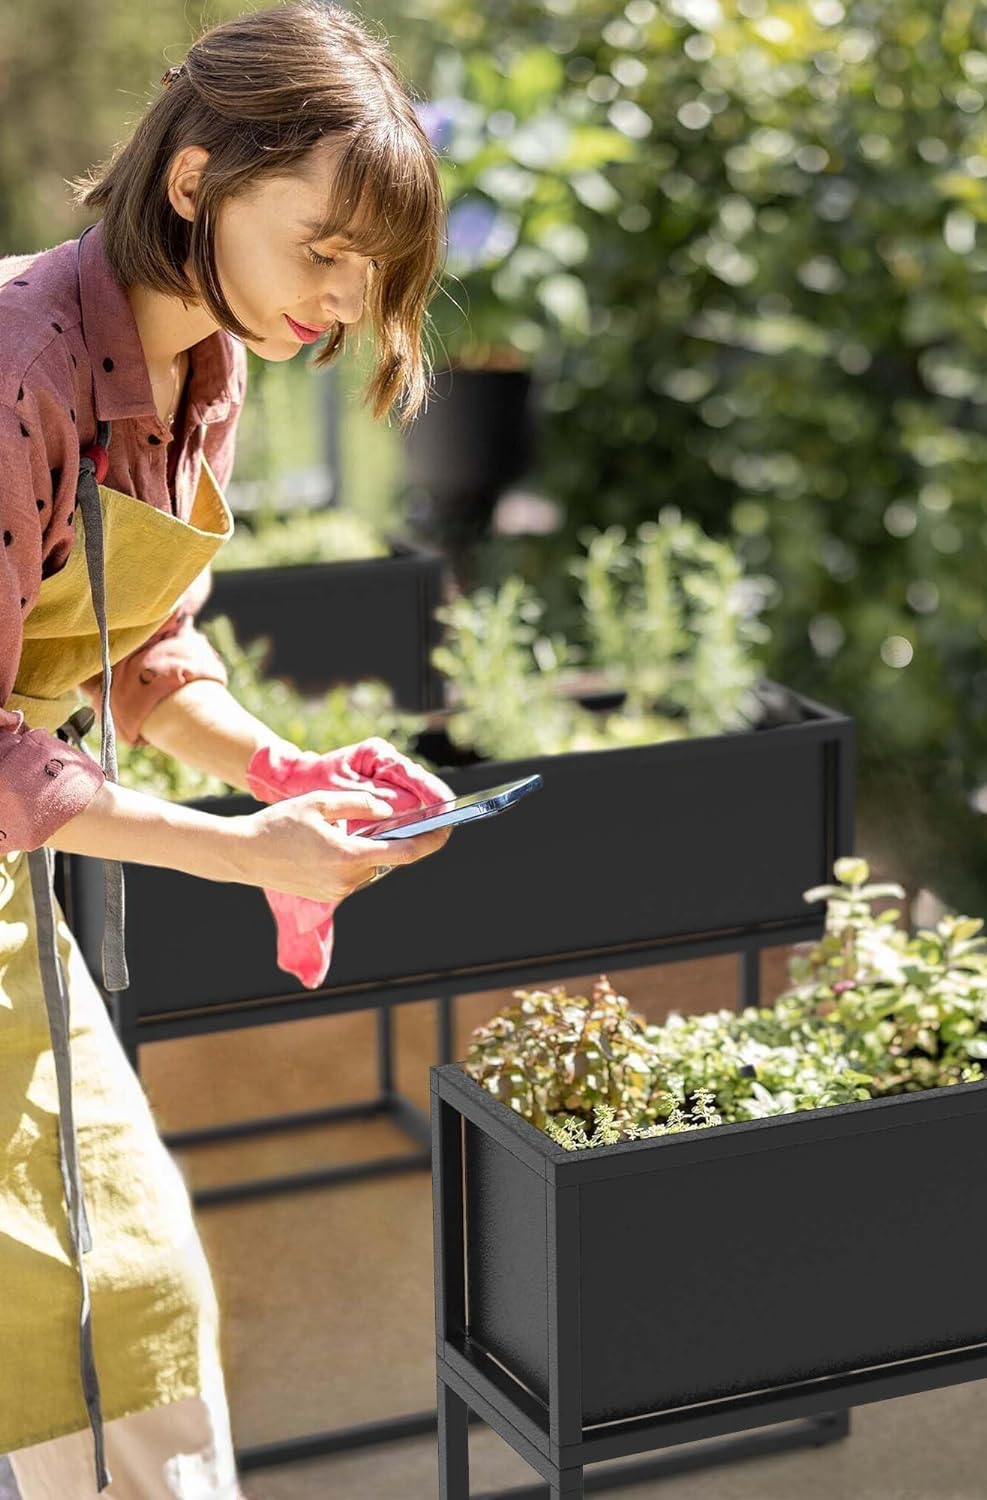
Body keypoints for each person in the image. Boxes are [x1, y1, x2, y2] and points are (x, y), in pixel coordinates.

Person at [0, 4, 456, 1494]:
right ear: (193, 181)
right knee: (91, 1321)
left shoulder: (209, 364)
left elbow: (140, 658)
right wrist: (239, 854)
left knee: (122, 1307)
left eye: (367, 269)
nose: (340, 296)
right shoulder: (23, 369)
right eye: (320, 245)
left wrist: (287, 777)